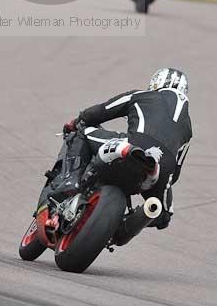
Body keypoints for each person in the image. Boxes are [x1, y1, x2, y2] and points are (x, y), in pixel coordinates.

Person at [60, 68, 192, 245]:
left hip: (131, 147)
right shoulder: (188, 129)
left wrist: (77, 121)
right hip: (160, 171)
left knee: (83, 132)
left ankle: (70, 182)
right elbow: (175, 173)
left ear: (157, 83)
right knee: (163, 215)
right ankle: (122, 230)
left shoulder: (141, 96)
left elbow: (100, 111)